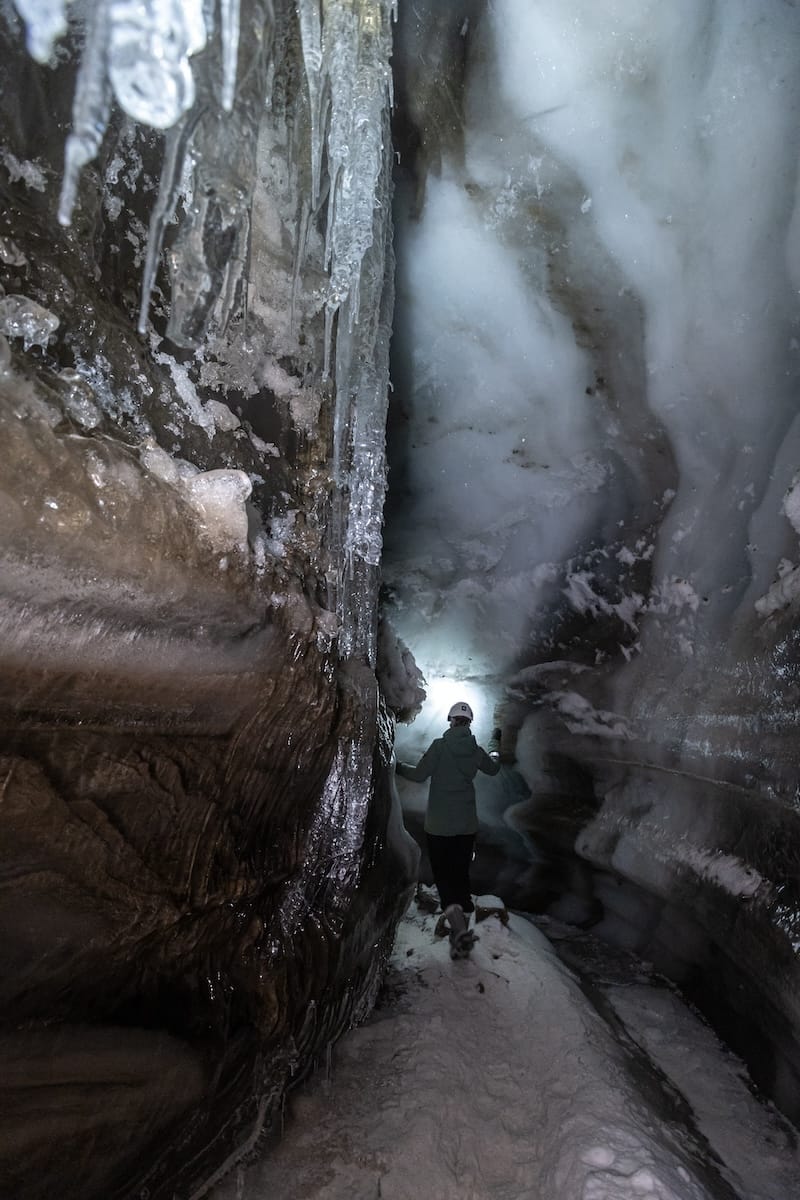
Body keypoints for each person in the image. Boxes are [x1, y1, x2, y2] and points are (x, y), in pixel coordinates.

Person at [396, 701, 501, 941]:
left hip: (439, 826)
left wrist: (396, 765)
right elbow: (494, 768)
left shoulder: (440, 747)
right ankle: (460, 925)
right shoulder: (475, 751)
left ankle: (458, 928)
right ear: (469, 723)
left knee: (443, 876)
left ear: (450, 720)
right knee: (461, 873)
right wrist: (495, 743)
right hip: (465, 826)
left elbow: (419, 774)